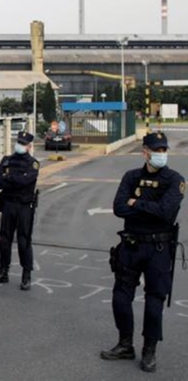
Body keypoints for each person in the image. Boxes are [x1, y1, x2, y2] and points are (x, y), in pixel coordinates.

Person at [100, 132, 184, 373]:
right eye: (155, 150)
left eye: (163, 150)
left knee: (154, 301)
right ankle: (125, 344)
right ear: (144, 152)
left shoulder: (175, 179)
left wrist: (135, 204)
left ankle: (149, 350)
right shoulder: (131, 177)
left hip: (158, 249)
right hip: (131, 245)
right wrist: (151, 209)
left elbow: (167, 213)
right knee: (120, 297)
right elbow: (118, 208)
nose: (160, 154)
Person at [0, 130, 39, 290]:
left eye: (23, 144)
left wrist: (8, 178)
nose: (20, 146)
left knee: (24, 240)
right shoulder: (6, 160)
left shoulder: (33, 163)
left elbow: (25, 181)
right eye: (19, 143)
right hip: (8, 204)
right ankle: (3, 272)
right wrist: (13, 180)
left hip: (24, 206)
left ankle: (26, 275)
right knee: (4, 239)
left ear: (29, 146)